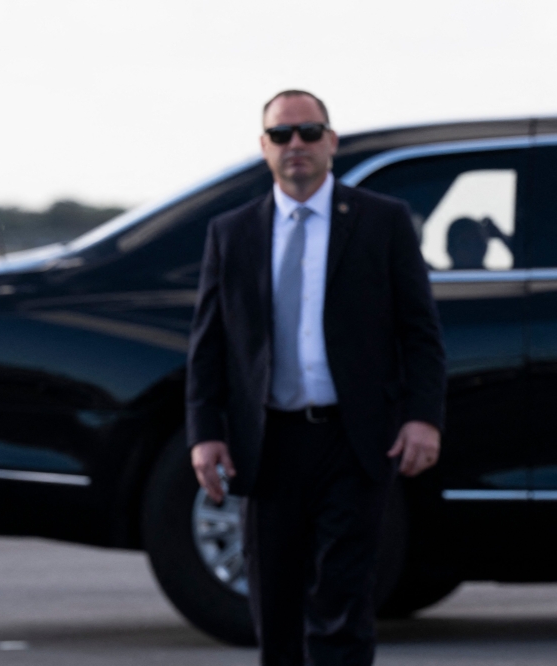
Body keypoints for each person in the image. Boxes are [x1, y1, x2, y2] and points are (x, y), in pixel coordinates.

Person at [187, 90, 446, 665]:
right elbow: (208, 347)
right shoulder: (232, 233)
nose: (296, 145)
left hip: (353, 440)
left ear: (331, 141)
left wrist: (423, 417)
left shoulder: (381, 220)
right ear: (264, 148)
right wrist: (205, 432)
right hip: (269, 443)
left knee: (343, 601)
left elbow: (419, 332)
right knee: (274, 605)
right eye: (282, 136)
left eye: (309, 132)